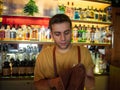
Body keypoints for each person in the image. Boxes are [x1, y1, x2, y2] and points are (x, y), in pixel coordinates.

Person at [34, 14, 95, 90]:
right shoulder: (43, 55)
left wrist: (80, 76)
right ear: (52, 35)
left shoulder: (84, 52)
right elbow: (37, 84)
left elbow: (91, 85)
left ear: (72, 32)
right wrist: (53, 82)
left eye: (66, 33)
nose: (63, 38)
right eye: (57, 34)